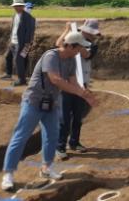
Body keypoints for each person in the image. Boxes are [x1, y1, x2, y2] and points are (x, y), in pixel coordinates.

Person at [0, 31, 97, 191]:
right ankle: (8, 174)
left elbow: (73, 82)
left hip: (51, 104)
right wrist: (80, 93)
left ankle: (46, 168)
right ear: (71, 46)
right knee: (21, 137)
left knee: (52, 136)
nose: (81, 51)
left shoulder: (72, 60)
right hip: (33, 102)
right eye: (80, 47)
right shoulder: (50, 56)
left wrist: (86, 95)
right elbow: (56, 80)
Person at [57, 20, 101, 158]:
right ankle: (60, 146)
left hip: (82, 84)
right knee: (64, 117)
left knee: (78, 116)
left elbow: (86, 54)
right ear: (85, 30)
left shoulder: (92, 45)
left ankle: (74, 142)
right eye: (92, 33)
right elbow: (59, 44)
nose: (93, 36)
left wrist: (76, 41)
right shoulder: (72, 37)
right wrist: (67, 31)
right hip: (67, 84)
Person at [0, 0, 36, 86]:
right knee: (8, 57)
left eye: (18, 6)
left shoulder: (29, 18)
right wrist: (10, 40)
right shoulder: (14, 16)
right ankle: (8, 74)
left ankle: (22, 79)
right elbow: (13, 29)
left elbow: (30, 32)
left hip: (22, 43)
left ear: (22, 6)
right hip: (13, 41)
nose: (16, 8)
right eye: (15, 6)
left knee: (19, 60)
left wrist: (27, 44)